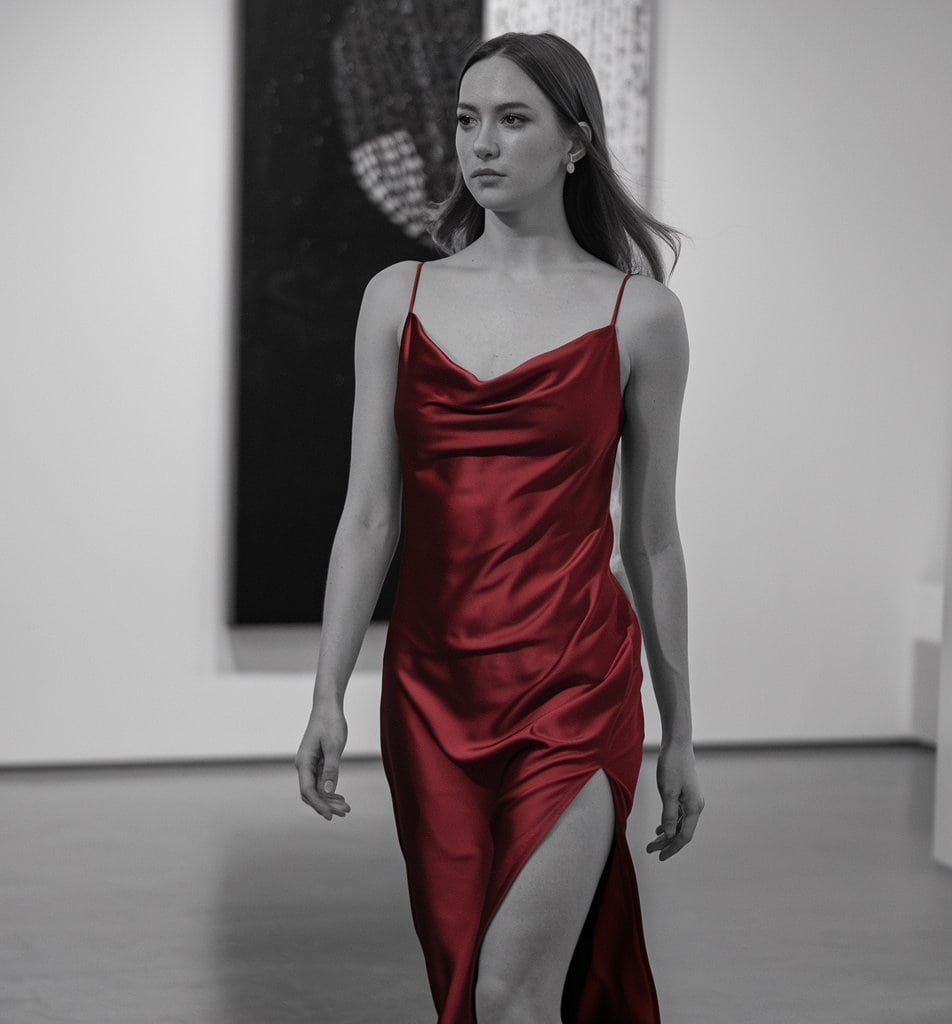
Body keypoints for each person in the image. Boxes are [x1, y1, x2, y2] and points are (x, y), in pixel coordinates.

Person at [296, 29, 703, 1024]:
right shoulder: (399, 297)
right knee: (468, 990)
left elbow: (651, 539)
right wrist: (325, 694)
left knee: (511, 985)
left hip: (574, 683)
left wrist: (681, 727)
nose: (480, 143)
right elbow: (369, 514)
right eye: (466, 119)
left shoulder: (640, 315)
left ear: (575, 141)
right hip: (432, 694)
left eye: (511, 118)